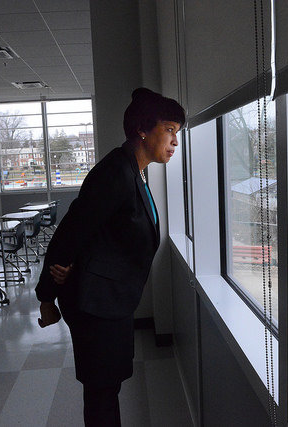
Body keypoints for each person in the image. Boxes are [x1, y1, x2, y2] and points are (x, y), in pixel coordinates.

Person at [35, 87, 186, 427]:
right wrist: (46, 296)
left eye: (178, 133)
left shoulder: (136, 171)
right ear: (143, 130)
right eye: (170, 131)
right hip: (94, 303)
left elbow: (104, 234)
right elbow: (71, 231)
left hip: (110, 298)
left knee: (108, 387)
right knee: (101, 392)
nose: (175, 141)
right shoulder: (115, 173)